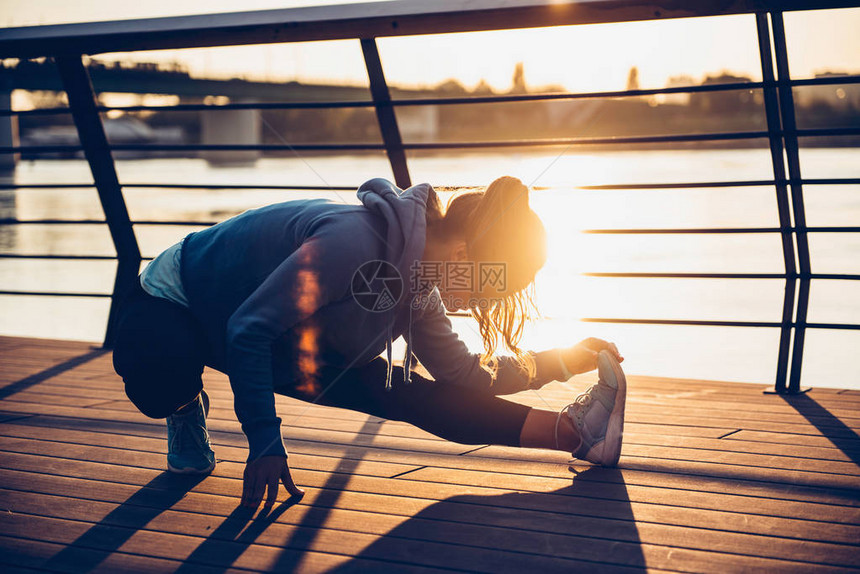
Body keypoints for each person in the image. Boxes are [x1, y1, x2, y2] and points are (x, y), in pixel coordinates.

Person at [111, 175, 627, 510]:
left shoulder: (422, 283)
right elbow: (249, 328)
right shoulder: (353, 244)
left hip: (286, 332)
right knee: (160, 372)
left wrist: (563, 361)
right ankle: (183, 406)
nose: (486, 303)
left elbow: (463, 374)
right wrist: (266, 444)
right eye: (494, 284)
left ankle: (577, 434)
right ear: (467, 249)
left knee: (406, 392)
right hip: (183, 301)